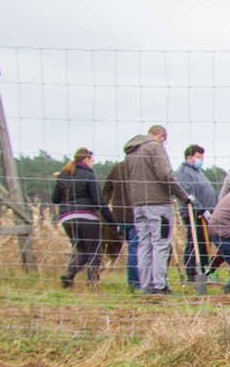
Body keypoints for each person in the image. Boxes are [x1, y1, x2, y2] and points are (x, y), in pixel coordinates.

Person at [119, 125, 189, 295]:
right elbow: (165, 174)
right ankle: (159, 285)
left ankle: (146, 286)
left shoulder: (131, 152)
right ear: (161, 136)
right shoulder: (155, 147)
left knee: (144, 245)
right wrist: (183, 196)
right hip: (158, 204)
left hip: (138, 206)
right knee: (160, 244)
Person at [50, 148, 114, 288]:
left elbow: (55, 199)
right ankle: (92, 285)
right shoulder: (88, 175)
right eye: (92, 160)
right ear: (86, 159)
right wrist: (112, 222)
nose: (92, 163)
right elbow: (99, 201)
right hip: (87, 217)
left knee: (81, 250)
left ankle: (69, 272)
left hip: (67, 218)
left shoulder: (63, 175)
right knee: (94, 252)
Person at [174, 144, 219, 285]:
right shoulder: (183, 172)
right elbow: (188, 194)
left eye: (202, 156)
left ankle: (205, 272)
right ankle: (192, 274)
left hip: (207, 213)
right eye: (198, 156)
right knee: (194, 243)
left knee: (205, 244)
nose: (201, 159)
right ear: (189, 157)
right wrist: (202, 210)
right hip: (194, 214)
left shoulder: (198, 171)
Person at [102, 161, 139, 290]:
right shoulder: (139, 165)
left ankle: (136, 281)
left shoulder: (117, 167)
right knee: (136, 247)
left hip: (119, 214)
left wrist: (105, 207)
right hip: (136, 213)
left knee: (132, 245)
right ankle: (135, 282)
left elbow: (106, 189)